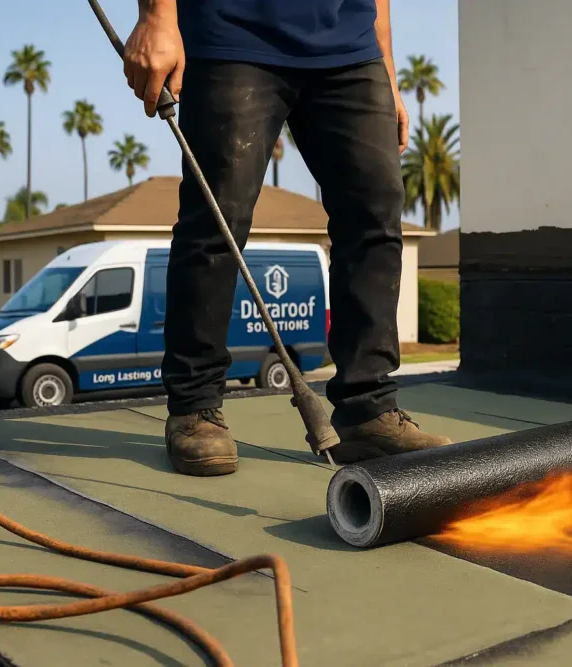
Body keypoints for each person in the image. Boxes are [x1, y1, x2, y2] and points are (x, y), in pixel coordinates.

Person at [123, 0, 452, 476]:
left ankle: (368, 410)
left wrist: (389, 75)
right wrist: (157, 16)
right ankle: (194, 409)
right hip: (232, 34)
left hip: (351, 47)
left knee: (375, 216)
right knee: (217, 222)